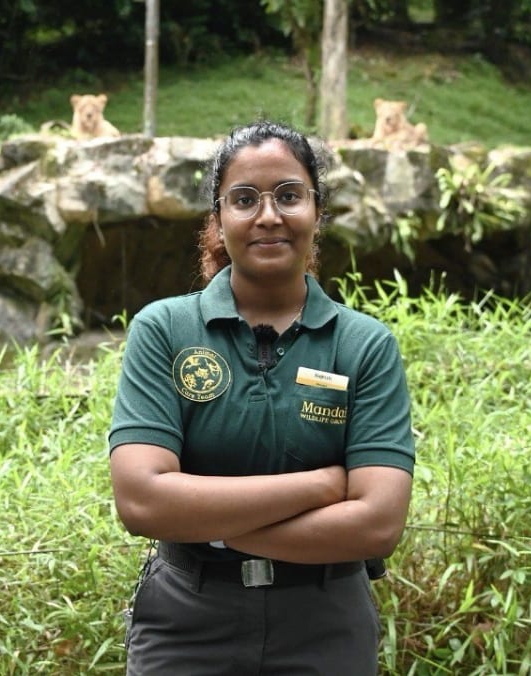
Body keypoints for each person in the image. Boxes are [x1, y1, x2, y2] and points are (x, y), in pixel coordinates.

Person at [107, 120, 416, 675]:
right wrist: (323, 485)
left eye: (289, 196)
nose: (269, 215)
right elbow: (141, 501)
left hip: (326, 626)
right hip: (186, 622)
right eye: (244, 199)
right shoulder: (165, 329)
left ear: (317, 212)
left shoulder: (364, 345)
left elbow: (377, 525)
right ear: (218, 218)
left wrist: (201, 517)